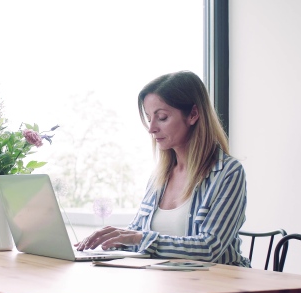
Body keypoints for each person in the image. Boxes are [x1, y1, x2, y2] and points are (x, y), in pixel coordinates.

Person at [75, 70, 250, 268]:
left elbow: (210, 247)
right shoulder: (160, 176)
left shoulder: (228, 172)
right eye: (149, 118)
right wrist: (109, 241)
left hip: (221, 288)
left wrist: (137, 238)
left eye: (162, 117)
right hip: (169, 284)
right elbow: (137, 235)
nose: (151, 129)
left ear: (193, 114)